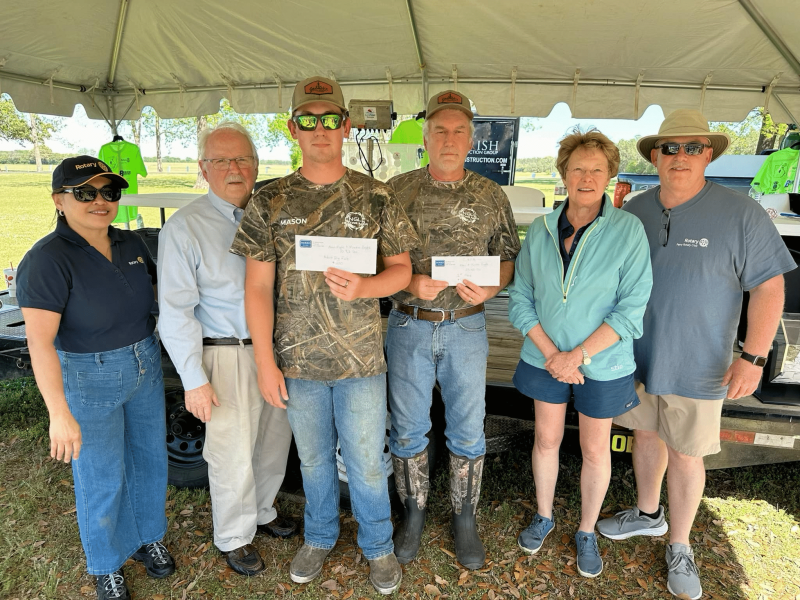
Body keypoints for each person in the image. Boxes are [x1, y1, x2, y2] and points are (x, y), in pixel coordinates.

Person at [230, 76, 419, 595]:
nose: (320, 129)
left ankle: (378, 546)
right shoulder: (270, 199)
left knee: (364, 460)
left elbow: (401, 271)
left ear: (346, 126)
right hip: (297, 362)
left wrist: (366, 287)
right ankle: (318, 535)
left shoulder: (376, 195)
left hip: (360, 361)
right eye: (308, 120)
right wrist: (266, 363)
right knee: (312, 459)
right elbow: (256, 286)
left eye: (330, 119)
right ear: (293, 129)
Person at [597, 109, 796, 599]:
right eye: (669, 148)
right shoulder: (634, 211)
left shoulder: (741, 213)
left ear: (708, 153)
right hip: (634, 356)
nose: (679, 156)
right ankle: (648, 515)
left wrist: (751, 357)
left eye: (691, 147)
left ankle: (681, 545)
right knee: (645, 435)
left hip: (700, 363)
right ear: (655, 157)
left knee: (686, 454)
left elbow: (770, 288)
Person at [17, 156, 175, 600]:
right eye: (85, 192)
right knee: (101, 474)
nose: (100, 201)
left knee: (148, 461)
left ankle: (148, 537)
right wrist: (58, 413)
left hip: (143, 364)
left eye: (109, 192)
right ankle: (106, 563)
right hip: (89, 375)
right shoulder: (46, 260)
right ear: (59, 200)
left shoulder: (132, 244)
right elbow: (40, 344)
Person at [385, 90, 521, 570]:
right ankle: (414, 513)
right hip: (408, 325)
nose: (449, 138)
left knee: (467, 430)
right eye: (439, 129)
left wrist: (491, 288)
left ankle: (465, 517)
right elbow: (375, 256)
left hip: (467, 328)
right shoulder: (396, 190)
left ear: (471, 137)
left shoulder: (489, 194)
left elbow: (508, 258)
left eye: (458, 130)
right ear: (424, 136)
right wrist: (408, 280)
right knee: (407, 431)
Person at [508, 128, 652, 578]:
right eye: (577, 169)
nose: (586, 177)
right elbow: (520, 298)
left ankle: (587, 529)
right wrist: (554, 354)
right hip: (544, 359)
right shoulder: (543, 228)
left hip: (604, 363)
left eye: (597, 169)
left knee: (595, 449)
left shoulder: (628, 230)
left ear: (610, 175)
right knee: (546, 439)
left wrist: (576, 357)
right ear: (563, 174)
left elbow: (632, 308)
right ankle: (545, 515)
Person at [158, 122, 296, 576]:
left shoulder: (274, 215)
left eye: (242, 159)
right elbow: (176, 310)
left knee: (274, 439)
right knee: (231, 449)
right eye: (221, 161)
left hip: (277, 351)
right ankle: (234, 536)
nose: (233, 169)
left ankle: (262, 511)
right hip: (226, 352)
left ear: (256, 166)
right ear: (203, 168)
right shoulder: (185, 228)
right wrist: (194, 380)